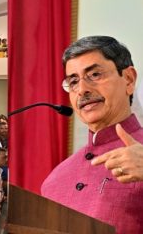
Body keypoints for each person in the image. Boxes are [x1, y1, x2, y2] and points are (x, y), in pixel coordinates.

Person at [41, 36, 143, 234]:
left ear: (128, 79)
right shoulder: (54, 179)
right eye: (73, 81)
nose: (82, 90)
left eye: (95, 74)